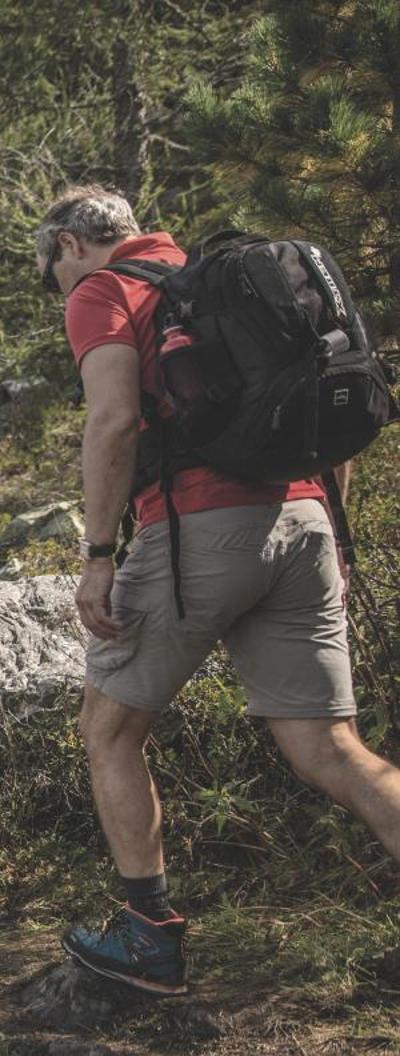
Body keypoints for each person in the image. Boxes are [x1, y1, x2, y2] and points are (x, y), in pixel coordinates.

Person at [39, 185, 400, 994]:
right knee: (330, 748)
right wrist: (331, 535)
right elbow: (325, 404)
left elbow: (114, 422)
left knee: (108, 730)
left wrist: (99, 553)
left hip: (199, 527)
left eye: (50, 273)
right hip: (305, 519)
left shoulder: (107, 290)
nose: (57, 291)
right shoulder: (224, 278)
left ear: (69, 245)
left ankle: (149, 942)